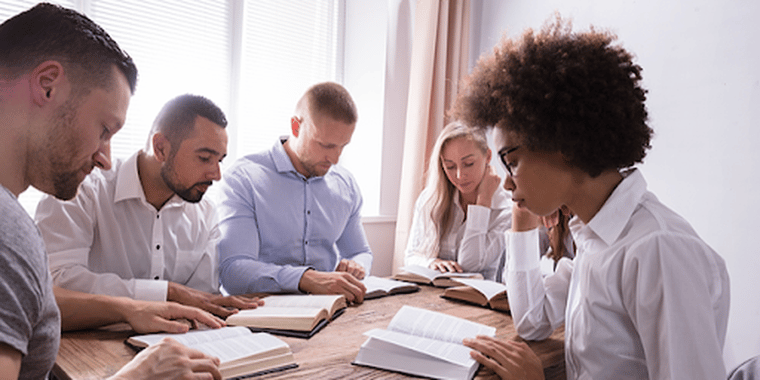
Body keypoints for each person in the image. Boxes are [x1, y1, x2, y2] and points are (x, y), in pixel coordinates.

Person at [454, 16, 730, 380]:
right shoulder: (593, 237)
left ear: (563, 144)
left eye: (513, 162)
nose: (505, 183)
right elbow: (533, 321)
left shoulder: (657, 250)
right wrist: (522, 221)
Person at [0, 3, 225, 379]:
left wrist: (127, 308)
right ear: (47, 85)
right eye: (104, 129)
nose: (105, 159)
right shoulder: (9, 236)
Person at [36, 94, 262, 318]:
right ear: (161, 148)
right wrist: (167, 293)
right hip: (84, 345)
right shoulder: (82, 189)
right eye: (204, 158)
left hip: (174, 341)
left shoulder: (206, 213)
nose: (216, 174)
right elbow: (57, 282)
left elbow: (201, 299)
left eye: (220, 160)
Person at [216, 82, 372, 303]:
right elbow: (232, 272)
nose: (335, 159)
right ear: (296, 127)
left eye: (342, 146)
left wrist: (357, 266)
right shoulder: (244, 179)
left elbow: (361, 252)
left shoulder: (345, 184)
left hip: (330, 310)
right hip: (260, 312)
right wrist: (305, 279)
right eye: (325, 145)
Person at [404, 121, 512, 281]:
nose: (460, 176)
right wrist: (431, 263)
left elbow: (470, 265)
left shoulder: (506, 209)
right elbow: (411, 257)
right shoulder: (430, 199)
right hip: (433, 297)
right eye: (450, 166)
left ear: (488, 156)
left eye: (468, 164)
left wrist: (483, 203)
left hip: (478, 302)